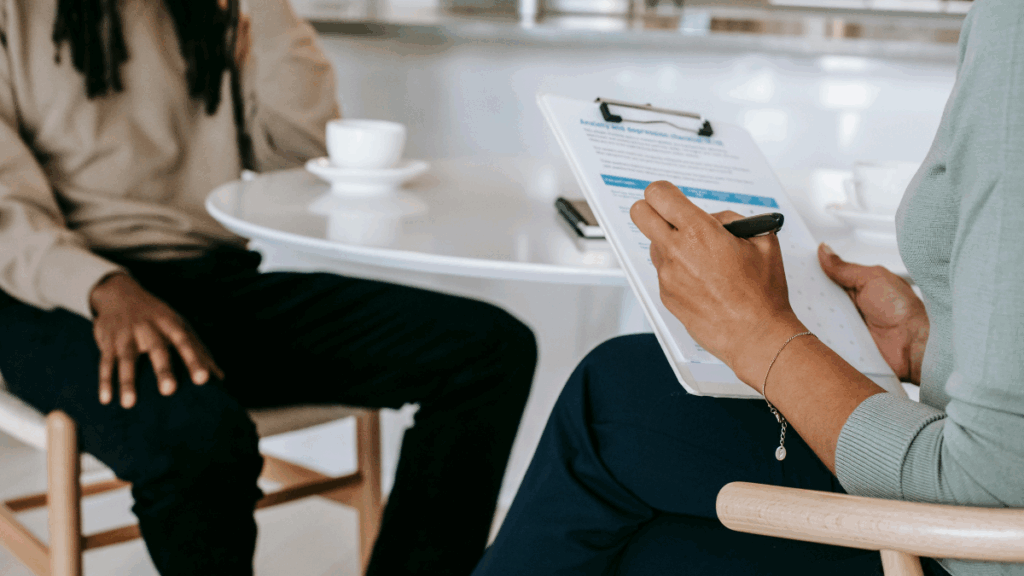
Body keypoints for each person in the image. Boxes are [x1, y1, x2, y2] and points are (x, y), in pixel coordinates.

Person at [471, 1, 1023, 575]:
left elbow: (985, 488)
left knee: (616, 394)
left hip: (971, 547)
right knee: (639, 525)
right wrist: (928, 345)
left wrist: (759, 335)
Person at [0, 1, 537, 575]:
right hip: (55, 293)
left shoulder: (216, 12)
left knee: (488, 350)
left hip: (210, 277)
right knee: (197, 440)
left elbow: (299, 151)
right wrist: (104, 286)